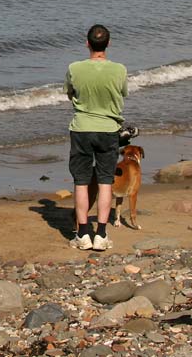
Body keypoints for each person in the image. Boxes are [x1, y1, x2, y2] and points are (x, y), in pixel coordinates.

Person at [65, 24, 128, 252]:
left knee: (81, 181)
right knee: (105, 181)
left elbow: (70, 93)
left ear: (87, 43)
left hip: (82, 127)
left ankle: (83, 232)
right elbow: (122, 93)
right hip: (108, 128)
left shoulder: (75, 68)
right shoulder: (119, 69)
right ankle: (100, 232)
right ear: (108, 44)